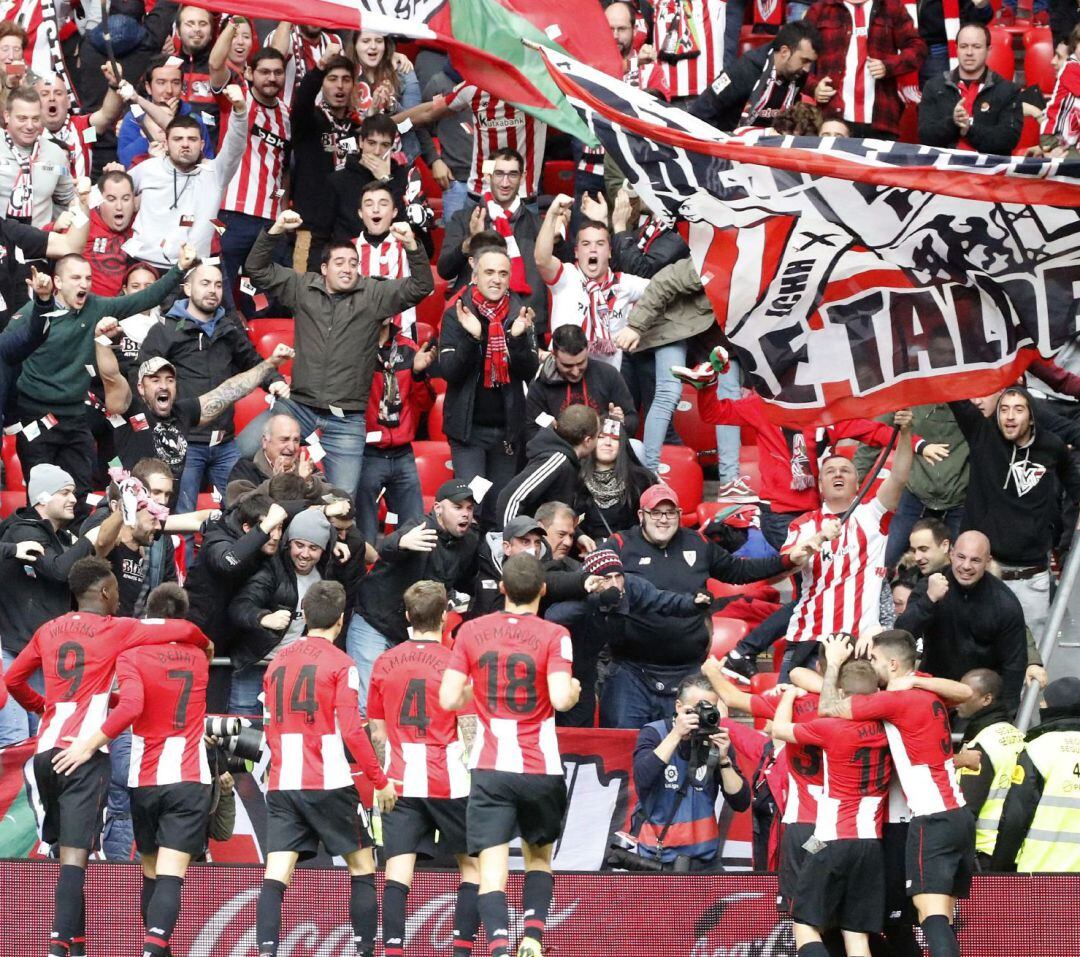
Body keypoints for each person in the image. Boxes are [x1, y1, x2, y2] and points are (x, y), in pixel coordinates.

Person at [2, 557, 211, 957]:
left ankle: (76, 946)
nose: (119, 597)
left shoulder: (48, 629)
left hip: (46, 753)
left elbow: (11, 679)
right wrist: (204, 643)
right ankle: (58, 947)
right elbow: (185, 629)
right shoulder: (117, 629)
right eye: (116, 590)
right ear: (104, 592)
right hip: (84, 754)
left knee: (64, 851)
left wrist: (42, 706)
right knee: (76, 859)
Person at [439, 554, 581, 957]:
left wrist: (475, 689)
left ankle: (499, 945)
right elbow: (559, 697)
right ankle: (533, 937)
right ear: (543, 590)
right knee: (538, 858)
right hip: (540, 766)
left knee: (491, 869)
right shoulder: (555, 634)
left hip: (490, 765)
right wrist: (573, 689)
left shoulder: (472, 630)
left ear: (501, 589)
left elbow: (449, 698)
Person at [244, 208, 433, 494]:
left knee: (342, 499)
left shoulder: (373, 294)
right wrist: (275, 230)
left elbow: (422, 285)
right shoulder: (303, 287)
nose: (348, 268)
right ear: (323, 268)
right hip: (298, 406)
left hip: (346, 420)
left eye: (354, 263)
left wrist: (411, 246)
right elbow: (256, 269)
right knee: (241, 451)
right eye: (340, 262)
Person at [253, 580, 395, 957]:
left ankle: (266, 951)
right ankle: (365, 950)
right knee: (362, 866)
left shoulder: (277, 661)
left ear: (304, 615)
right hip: (329, 781)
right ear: (341, 620)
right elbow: (352, 729)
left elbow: (268, 725)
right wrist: (380, 781)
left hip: (284, 781)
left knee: (275, 875)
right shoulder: (342, 664)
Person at [602, 483, 814, 728]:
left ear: (680, 515)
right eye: (655, 512)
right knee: (624, 749)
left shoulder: (697, 542)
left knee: (692, 753)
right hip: (631, 673)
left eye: (670, 513)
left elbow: (739, 570)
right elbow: (594, 578)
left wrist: (787, 560)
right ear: (641, 516)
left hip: (688, 672)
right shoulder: (619, 544)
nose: (663, 519)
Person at [818, 631, 975, 957]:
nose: (871, 665)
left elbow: (827, 707)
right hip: (960, 813)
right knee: (942, 916)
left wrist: (833, 664)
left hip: (932, 819)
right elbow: (965, 691)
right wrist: (918, 681)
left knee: (929, 916)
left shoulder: (893, 700)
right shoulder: (926, 692)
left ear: (892, 663)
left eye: (874, 659)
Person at [8, 251, 185, 509]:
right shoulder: (29, 316)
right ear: (57, 282)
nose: (84, 284)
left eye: (88, 278)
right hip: (36, 417)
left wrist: (180, 267)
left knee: (79, 497)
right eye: (76, 278)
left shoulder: (95, 307)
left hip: (75, 418)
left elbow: (146, 298)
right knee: (42, 501)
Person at [368, 580, 481, 957]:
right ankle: (461, 950)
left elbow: (378, 730)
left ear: (406, 617)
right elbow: (468, 729)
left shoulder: (385, 661)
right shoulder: (454, 663)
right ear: (446, 618)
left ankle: (394, 951)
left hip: (400, 779)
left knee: (397, 875)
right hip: (449, 779)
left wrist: (384, 776)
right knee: (474, 870)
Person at [139, 262, 287, 512]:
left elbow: (252, 362)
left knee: (243, 512)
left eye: (218, 285)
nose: (213, 290)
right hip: (184, 442)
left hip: (225, 443)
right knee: (176, 517)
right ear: (187, 288)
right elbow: (142, 378)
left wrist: (275, 381)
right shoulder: (164, 331)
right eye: (205, 283)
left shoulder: (229, 328)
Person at [770, 658, 892, 957]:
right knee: (856, 936)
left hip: (830, 841)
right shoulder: (889, 728)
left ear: (840, 693)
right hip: (871, 845)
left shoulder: (830, 727)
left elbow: (779, 729)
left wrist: (789, 694)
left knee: (804, 924)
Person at [779, 410, 916, 673]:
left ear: (857, 483)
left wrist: (906, 433)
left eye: (845, 470)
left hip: (860, 642)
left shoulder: (873, 514)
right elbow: (787, 564)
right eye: (830, 471)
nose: (837, 474)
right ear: (820, 486)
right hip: (809, 636)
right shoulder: (803, 524)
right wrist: (817, 540)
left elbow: (899, 477)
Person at [0, 465, 120, 747]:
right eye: (64, 492)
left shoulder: (63, 538)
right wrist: (89, 540)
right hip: (12, 653)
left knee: (43, 735)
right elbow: (58, 570)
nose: (73, 499)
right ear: (42, 499)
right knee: (15, 739)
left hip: (41, 655)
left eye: (73, 493)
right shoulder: (21, 531)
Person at [949, 388, 1080, 642]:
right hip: (985, 576)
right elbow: (954, 396)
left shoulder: (1051, 446)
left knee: (1031, 663)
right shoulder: (981, 433)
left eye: (1018, 409)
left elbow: (1074, 483)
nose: (1009, 416)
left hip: (1032, 578)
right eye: (1004, 409)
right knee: (980, 656)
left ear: (1032, 416)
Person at [96, 325, 293, 488]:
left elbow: (229, 390)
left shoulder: (183, 412)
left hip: (165, 517)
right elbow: (111, 377)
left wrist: (270, 364)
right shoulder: (130, 409)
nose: (163, 385)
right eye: (155, 380)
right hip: (132, 515)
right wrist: (102, 341)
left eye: (170, 380)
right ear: (140, 386)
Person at [348, 479, 481, 709]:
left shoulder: (469, 542)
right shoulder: (420, 526)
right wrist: (401, 542)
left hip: (412, 634)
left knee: (401, 707)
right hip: (374, 623)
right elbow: (387, 548)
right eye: (458, 507)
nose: (465, 514)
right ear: (438, 508)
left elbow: (469, 582)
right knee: (367, 705)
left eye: (469, 508)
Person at [547, 549, 714, 728]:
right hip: (564, 666)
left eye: (618, 576)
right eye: (607, 578)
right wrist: (595, 599)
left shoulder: (630, 587)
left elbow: (662, 600)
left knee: (582, 728)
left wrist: (693, 604)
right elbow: (553, 616)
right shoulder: (580, 590)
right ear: (593, 579)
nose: (615, 584)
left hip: (590, 668)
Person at [438, 245, 539, 528]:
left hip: (506, 434)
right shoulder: (456, 313)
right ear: (475, 275)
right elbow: (449, 372)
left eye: (503, 273)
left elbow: (532, 373)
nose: (496, 279)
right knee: (472, 506)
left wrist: (518, 341)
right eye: (490, 272)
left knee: (500, 509)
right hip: (468, 433)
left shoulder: (520, 313)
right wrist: (473, 338)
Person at [229, 508, 364, 715]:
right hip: (255, 663)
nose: (304, 554)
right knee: (243, 728)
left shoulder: (327, 573)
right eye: (299, 545)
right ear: (289, 542)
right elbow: (240, 606)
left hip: (293, 669)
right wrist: (264, 617)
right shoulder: (272, 568)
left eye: (313, 548)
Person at [895, 530, 1028, 712]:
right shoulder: (930, 585)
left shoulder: (1004, 602)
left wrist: (1006, 715)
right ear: (951, 555)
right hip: (934, 692)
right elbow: (902, 636)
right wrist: (929, 600)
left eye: (975, 560)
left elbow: (1014, 665)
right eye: (961, 557)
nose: (966, 566)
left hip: (979, 701)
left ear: (988, 562)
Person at [632, 672, 750, 871]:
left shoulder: (716, 741)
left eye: (709, 708)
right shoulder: (654, 733)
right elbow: (642, 779)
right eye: (697, 709)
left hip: (705, 860)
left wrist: (723, 761)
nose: (703, 714)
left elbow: (741, 802)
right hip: (657, 860)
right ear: (679, 707)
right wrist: (676, 734)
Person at [125, 89, 251, 269]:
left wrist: (239, 111)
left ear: (202, 145)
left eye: (192, 139)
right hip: (145, 267)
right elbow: (110, 194)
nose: (185, 144)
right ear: (166, 144)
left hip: (193, 269)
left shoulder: (215, 173)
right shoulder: (147, 168)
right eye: (178, 139)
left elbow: (235, 146)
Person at [211, 47, 292, 312]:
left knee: (269, 293)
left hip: (270, 220)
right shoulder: (237, 99)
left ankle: (260, 341)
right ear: (249, 73)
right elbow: (215, 63)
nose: (271, 78)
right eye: (265, 72)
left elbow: (283, 170)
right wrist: (234, 24)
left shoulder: (287, 114)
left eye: (278, 72)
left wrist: (280, 205)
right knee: (220, 283)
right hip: (229, 215)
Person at [437, 148, 553, 332]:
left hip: (525, 322)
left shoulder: (540, 226)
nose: (505, 182)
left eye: (512, 174)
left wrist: (560, 235)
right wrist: (472, 240)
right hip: (473, 322)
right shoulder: (463, 218)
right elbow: (444, 270)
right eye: (499, 174)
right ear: (488, 175)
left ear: (522, 177)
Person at [536, 194, 650, 372]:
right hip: (560, 376)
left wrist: (637, 327)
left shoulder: (626, 284)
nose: (593, 249)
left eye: (600, 244)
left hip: (604, 383)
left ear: (610, 252)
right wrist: (551, 214)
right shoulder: (567, 275)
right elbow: (542, 260)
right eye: (586, 244)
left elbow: (663, 290)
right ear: (576, 252)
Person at [804, 0, 927, 139]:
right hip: (832, 117)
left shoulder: (892, 7)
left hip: (882, 117)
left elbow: (918, 48)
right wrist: (813, 87)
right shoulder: (821, 9)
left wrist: (889, 66)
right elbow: (797, 54)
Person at [992, 682, 1080, 872]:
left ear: (1054, 706)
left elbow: (1016, 815)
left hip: (1042, 871)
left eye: (1044, 700)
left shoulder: (1039, 748)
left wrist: (1000, 868)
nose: (1040, 704)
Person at [288, 50, 360, 270]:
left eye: (346, 80)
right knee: (303, 293)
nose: (340, 86)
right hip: (310, 230)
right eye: (332, 79)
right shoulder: (309, 121)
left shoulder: (356, 130)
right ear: (322, 84)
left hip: (345, 231)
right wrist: (319, 68)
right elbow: (302, 100)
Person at [689, 20, 822, 131]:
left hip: (766, 148)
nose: (807, 69)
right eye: (805, 61)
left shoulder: (797, 74)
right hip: (732, 148)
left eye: (811, 62)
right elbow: (700, 111)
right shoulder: (744, 70)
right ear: (784, 52)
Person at [954, 669, 1026, 869]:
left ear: (986, 699)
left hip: (982, 851)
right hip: (1012, 848)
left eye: (965, 693)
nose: (957, 698)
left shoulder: (982, 743)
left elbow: (968, 806)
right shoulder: (1017, 735)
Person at [918, 23, 1024, 153]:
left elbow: (1008, 140)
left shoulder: (1008, 90)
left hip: (988, 170)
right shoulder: (934, 86)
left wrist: (969, 129)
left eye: (976, 47)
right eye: (963, 47)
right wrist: (953, 123)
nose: (969, 53)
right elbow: (925, 136)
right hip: (945, 169)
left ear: (988, 50)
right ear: (956, 49)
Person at [524, 324, 637, 443]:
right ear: (554, 356)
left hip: (600, 447)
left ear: (587, 351)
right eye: (567, 366)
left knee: (636, 447)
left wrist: (618, 423)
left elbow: (632, 420)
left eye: (581, 363)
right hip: (561, 451)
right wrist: (550, 433)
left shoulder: (608, 374)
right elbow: (530, 432)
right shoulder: (541, 383)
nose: (575, 372)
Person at [496, 404, 600, 529]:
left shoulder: (568, 461)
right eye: (598, 436)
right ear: (587, 441)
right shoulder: (557, 460)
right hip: (528, 543)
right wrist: (513, 541)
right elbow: (510, 498)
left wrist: (578, 536)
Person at [117, 54, 216, 169]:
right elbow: (125, 161)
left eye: (175, 83)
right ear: (148, 87)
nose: (169, 90)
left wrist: (173, 122)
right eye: (161, 82)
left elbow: (208, 163)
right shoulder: (134, 118)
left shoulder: (195, 120)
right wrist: (150, 133)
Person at [0, 87, 76, 229]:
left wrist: (54, 229)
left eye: (35, 119)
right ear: (7, 116)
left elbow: (68, 200)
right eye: (22, 118)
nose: (29, 126)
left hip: (39, 245)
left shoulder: (56, 154)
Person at [575, 416, 656, 540]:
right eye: (601, 437)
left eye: (614, 438)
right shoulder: (576, 477)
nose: (607, 443)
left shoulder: (642, 480)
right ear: (590, 441)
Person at [472, 516, 548, 618]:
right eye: (525, 542)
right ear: (507, 548)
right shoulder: (486, 573)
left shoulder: (546, 566)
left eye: (537, 543)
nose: (533, 549)